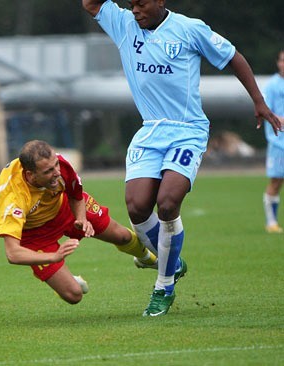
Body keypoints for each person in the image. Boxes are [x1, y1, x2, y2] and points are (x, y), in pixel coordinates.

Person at [82, 0, 282, 316]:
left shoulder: (190, 29)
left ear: (161, 1)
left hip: (187, 130)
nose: (135, 10)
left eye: (142, 4)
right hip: (150, 131)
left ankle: (163, 286)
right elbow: (90, 3)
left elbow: (234, 57)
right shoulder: (124, 25)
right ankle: (173, 263)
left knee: (168, 202)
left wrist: (258, 102)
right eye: (131, 3)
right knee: (136, 207)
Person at [0, 140, 182, 305]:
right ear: (30, 175)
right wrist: (54, 257)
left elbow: (75, 194)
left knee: (122, 236)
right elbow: (12, 253)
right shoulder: (12, 200)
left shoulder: (60, 165)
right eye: (48, 171)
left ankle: (150, 260)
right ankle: (66, 279)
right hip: (34, 233)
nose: (57, 172)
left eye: (56, 165)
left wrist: (81, 219)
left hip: (64, 207)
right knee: (74, 296)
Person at [262, 50, 284, 234]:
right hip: (279, 143)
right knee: (276, 181)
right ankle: (271, 222)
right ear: (278, 63)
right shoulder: (272, 86)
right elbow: (267, 111)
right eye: (283, 60)